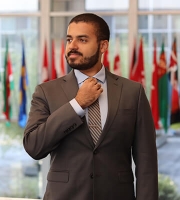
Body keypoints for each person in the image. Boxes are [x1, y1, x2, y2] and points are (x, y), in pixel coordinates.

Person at [23, 13, 158, 200]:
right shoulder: (46, 91)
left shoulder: (132, 92)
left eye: (82, 39)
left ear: (103, 46)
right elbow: (34, 147)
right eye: (69, 39)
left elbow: (147, 161)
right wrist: (77, 104)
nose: (72, 46)